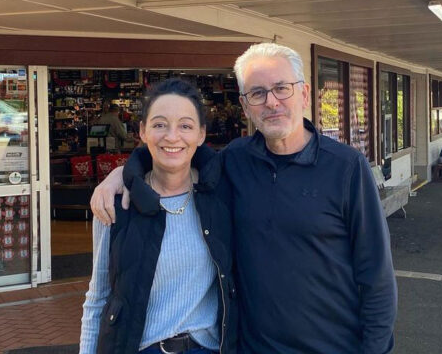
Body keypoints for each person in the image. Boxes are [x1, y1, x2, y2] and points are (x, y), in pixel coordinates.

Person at [92, 43, 397, 354]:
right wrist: (123, 174)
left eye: (282, 88)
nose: (272, 102)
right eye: (258, 93)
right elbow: (176, 153)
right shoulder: (234, 161)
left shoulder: (346, 168)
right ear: (245, 105)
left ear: (304, 94)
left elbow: (377, 277)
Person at [79, 79, 236, 354]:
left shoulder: (222, 195)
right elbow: (98, 297)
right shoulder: (116, 204)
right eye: (160, 124)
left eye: (185, 126)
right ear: (143, 131)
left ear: (201, 135)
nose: (172, 136)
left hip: (206, 348)